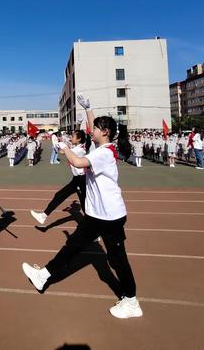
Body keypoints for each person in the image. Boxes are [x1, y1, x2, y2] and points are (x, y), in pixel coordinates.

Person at [22, 94, 142, 319]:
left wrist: (63, 146)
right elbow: (92, 131)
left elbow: (77, 162)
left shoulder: (104, 153)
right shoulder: (101, 148)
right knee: (73, 246)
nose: (91, 131)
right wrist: (89, 108)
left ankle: (131, 301)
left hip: (110, 216)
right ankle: (44, 275)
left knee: (117, 259)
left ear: (104, 132)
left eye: (95, 128)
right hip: (97, 215)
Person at [30, 130, 90, 225]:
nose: (71, 138)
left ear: (79, 139)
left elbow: (62, 152)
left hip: (81, 180)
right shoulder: (77, 147)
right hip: (76, 179)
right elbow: (63, 150)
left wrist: (57, 143)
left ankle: (94, 230)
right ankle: (43, 216)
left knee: (85, 205)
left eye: (73, 136)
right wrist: (58, 144)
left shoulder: (79, 150)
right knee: (59, 195)